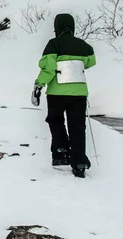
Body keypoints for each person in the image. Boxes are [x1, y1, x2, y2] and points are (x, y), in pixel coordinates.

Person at [32, 14, 96, 178]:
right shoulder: (84, 46)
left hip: (57, 92)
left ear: (57, 27)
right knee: (77, 127)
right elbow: (90, 61)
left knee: (55, 120)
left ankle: (60, 150)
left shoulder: (54, 44)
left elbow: (49, 68)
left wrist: (39, 84)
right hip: (79, 93)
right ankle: (79, 162)